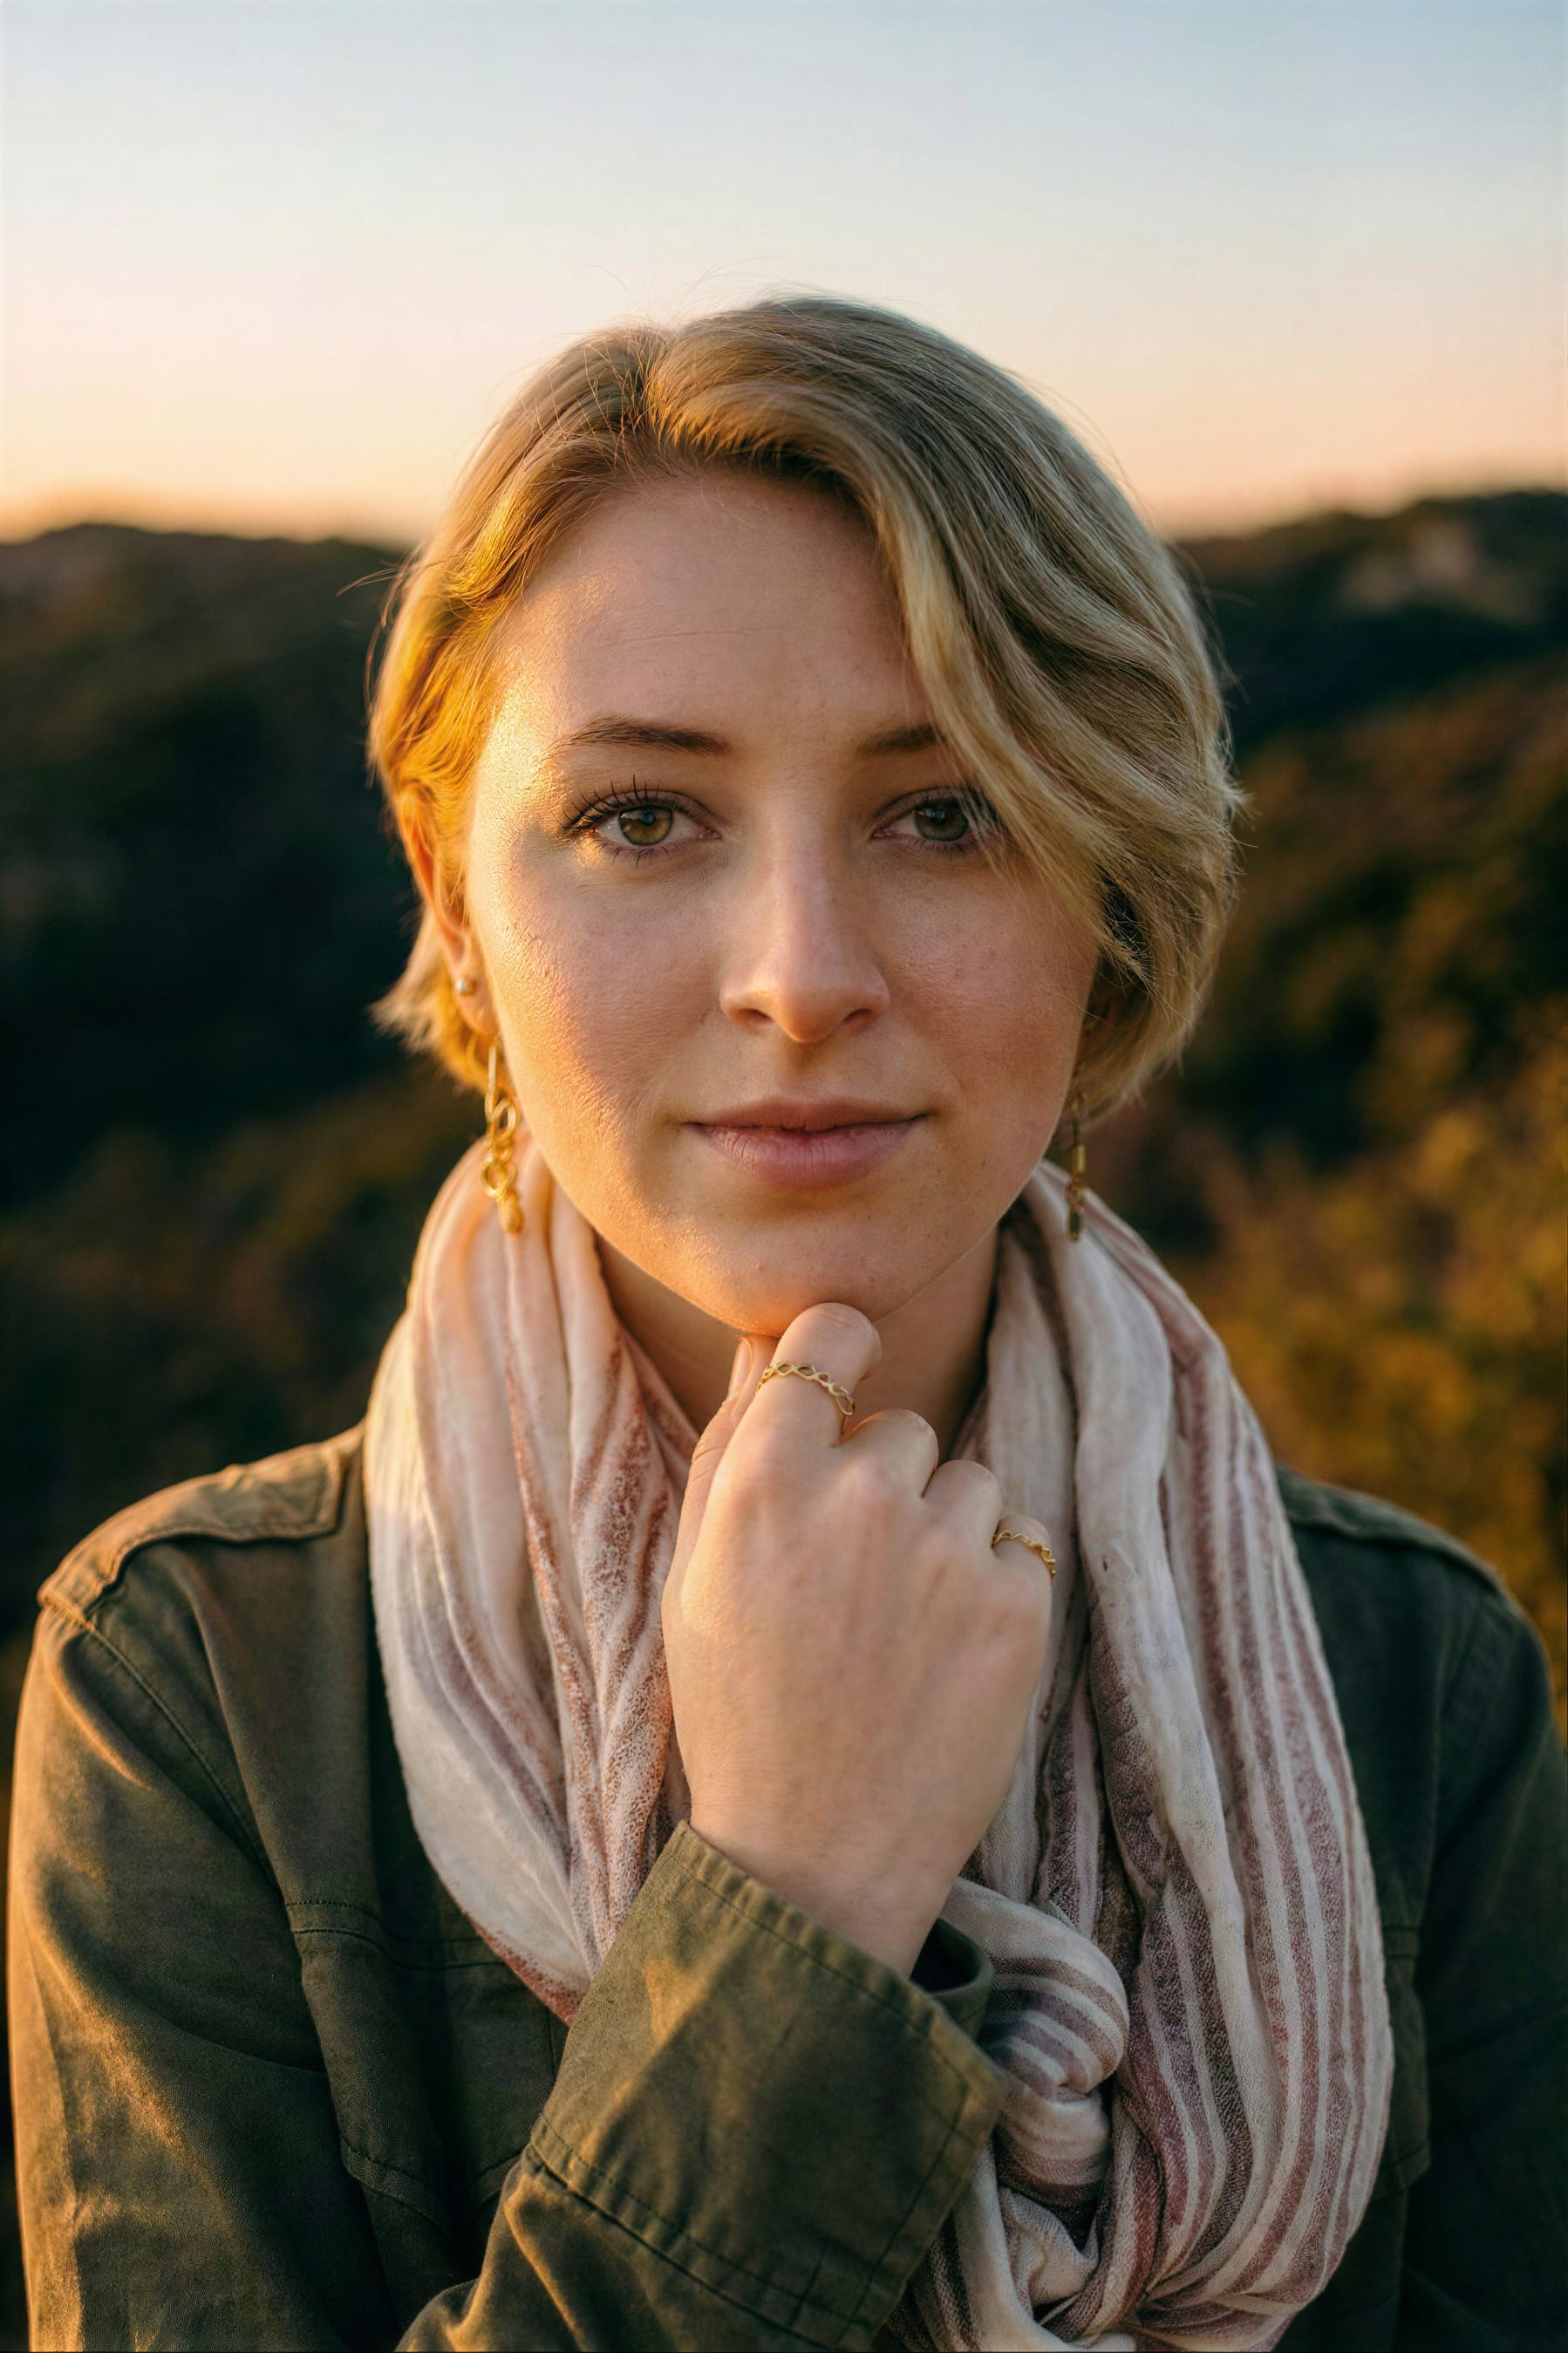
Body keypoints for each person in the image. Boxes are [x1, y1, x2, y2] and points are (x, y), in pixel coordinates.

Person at [10, 297, 1563, 2353]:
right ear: (455, 897)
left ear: (1107, 885)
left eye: (947, 811)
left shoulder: (1417, 1676)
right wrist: (791, 1911)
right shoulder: (198, 1682)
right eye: (645, 817)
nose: (800, 973)